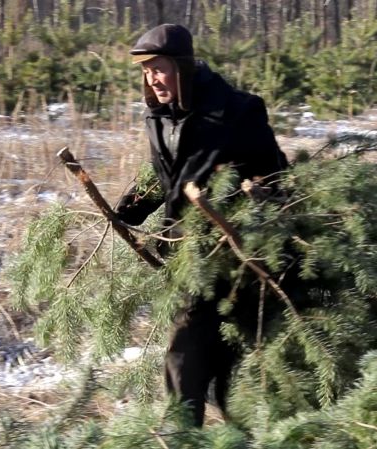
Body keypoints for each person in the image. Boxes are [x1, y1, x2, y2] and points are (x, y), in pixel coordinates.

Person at [115, 23, 289, 426]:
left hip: (234, 255)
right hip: (187, 255)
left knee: (219, 356)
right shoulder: (159, 116)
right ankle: (189, 434)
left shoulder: (237, 111)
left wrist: (256, 196)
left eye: (159, 69)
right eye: (146, 71)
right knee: (191, 352)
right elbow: (166, 174)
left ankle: (221, 433)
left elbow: (275, 174)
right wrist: (128, 211)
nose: (152, 79)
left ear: (183, 66)